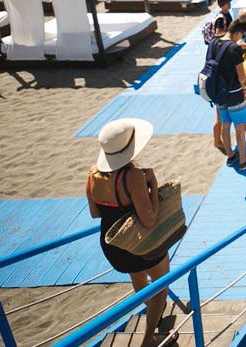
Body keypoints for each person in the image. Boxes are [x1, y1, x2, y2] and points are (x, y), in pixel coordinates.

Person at [86, 118, 169, 347]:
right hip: (140, 245)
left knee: (138, 278)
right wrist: (152, 183)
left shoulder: (92, 173)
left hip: (113, 244)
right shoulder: (132, 176)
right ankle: (149, 338)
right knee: (161, 285)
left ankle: (151, 313)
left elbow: (95, 213)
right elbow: (149, 219)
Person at [211, 20, 246, 170]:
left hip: (218, 93)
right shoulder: (234, 49)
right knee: (239, 127)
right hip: (233, 93)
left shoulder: (214, 43)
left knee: (225, 125)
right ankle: (243, 160)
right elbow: (241, 77)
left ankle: (231, 156)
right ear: (237, 32)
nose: (241, 37)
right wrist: (245, 88)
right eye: (242, 34)